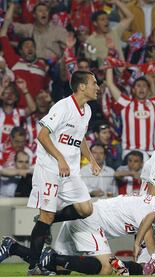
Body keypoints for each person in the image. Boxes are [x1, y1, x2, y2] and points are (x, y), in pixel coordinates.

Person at [25, 70, 101, 275]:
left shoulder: (87, 111)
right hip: (50, 169)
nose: (98, 87)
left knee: (86, 209)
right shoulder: (63, 106)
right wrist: (60, 159)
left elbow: (80, 137)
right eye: (94, 83)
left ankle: (44, 219)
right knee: (47, 217)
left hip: (70, 172)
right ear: (82, 86)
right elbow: (42, 135)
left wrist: (91, 159)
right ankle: (34, 267)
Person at [0, 194, 155, 276]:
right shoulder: (147, 210)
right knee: (106, 268)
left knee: (61, 269)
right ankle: (52, 257)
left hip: (84, 220)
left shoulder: (150, 204)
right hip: (90, 222)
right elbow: (151, 247)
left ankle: (12, 247)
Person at [106, 68, 155, 156]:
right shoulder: (126, 103)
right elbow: (110, 84)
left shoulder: (154, 103)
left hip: (149, 152)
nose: (141, 88)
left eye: (144, 86)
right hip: (129, 152)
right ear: (133, 90)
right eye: (138, 85)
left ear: (148, 90)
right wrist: (109, 65)